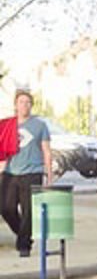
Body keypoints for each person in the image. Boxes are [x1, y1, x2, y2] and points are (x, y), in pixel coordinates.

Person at [1, 91, 53, 257]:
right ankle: (23, 236)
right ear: (16, 105)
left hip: (32, 172)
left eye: (28, 102)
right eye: (21, 102)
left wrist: (49, 174)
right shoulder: (7, 125)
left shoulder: (40, 125)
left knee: (28, 210)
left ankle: (24, 246)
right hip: (10, 171)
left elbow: (46, 150)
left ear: (31, 105)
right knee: (6, 208)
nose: (25, 105)